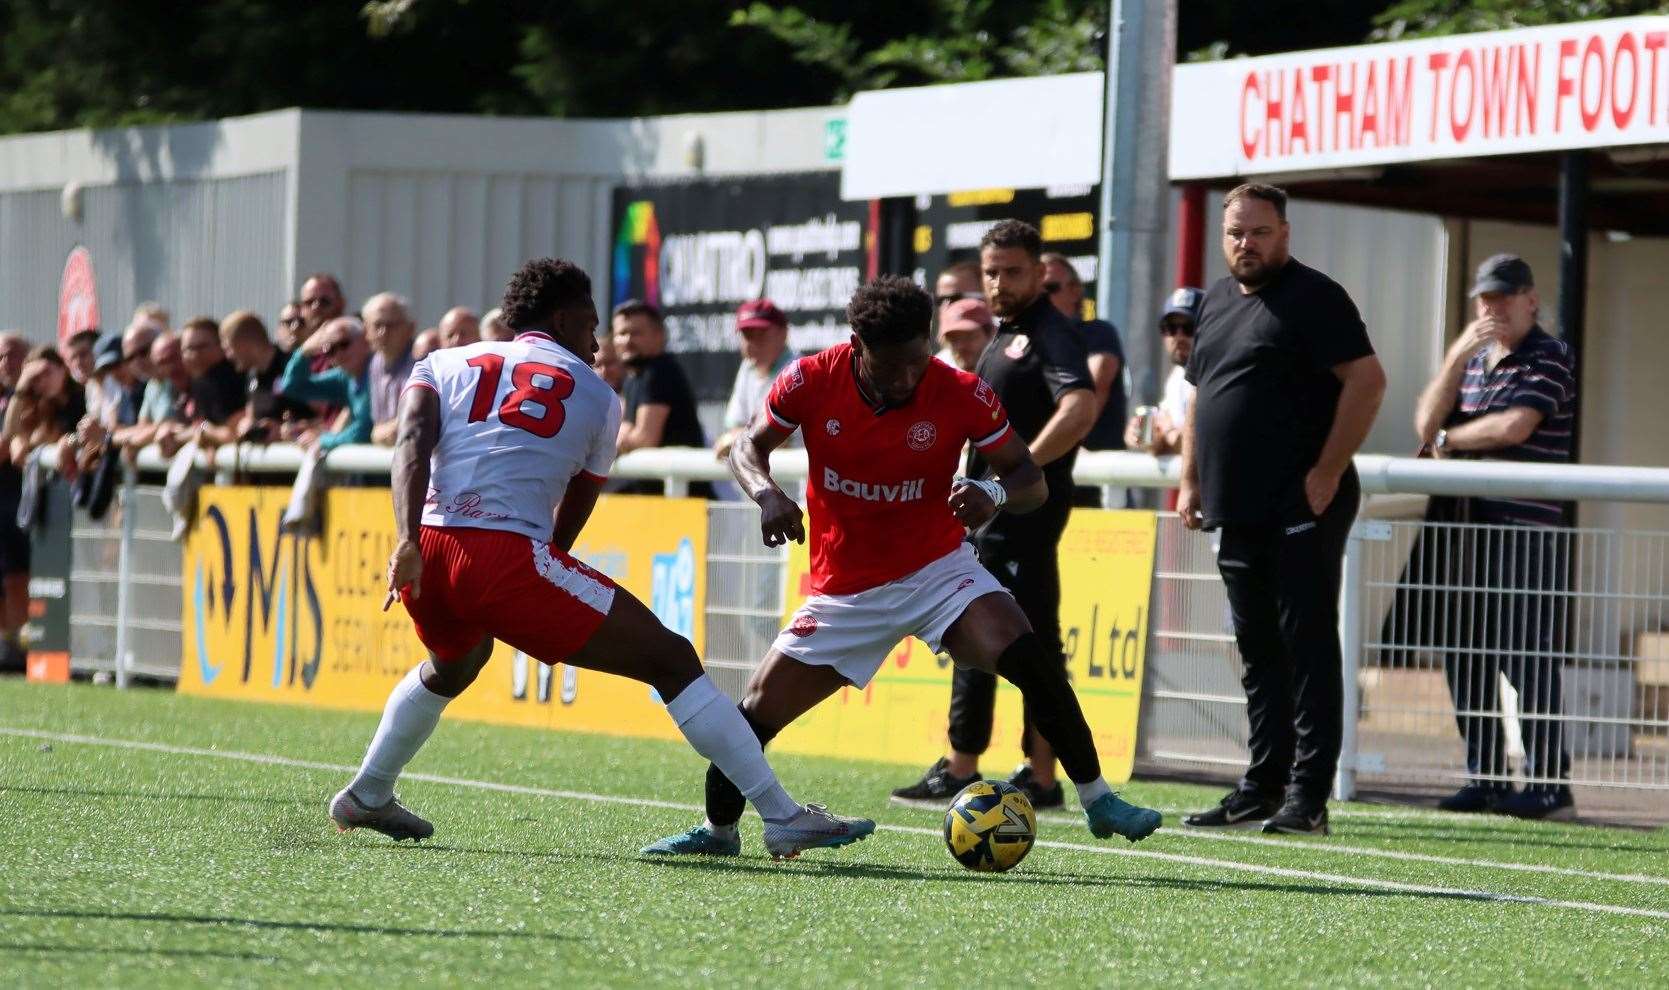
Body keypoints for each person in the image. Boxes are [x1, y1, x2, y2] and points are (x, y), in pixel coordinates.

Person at [332, 257, 873, 858]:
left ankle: (370, 790)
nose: (596, 343)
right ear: (562, 320)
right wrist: (533, 581)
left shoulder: (440, 363)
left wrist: (407, 539)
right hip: (502, 556)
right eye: (590, 325)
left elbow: (410, 444)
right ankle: (781, 815)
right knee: (671, 659)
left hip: (426, 549)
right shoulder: (597, 393)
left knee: (455, 663)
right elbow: (579, 501)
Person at [642, 275, 1160, 858]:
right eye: (892, 367)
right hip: (845, 592)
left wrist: (992, 491)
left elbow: (1029, 480)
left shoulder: (962, 391)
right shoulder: (811, 379)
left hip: (938, 572)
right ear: (857, 344)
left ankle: (1097, 798)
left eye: (918, 359)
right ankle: (719, 832)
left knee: (1030, 658)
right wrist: (766, 494)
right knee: (753, 719)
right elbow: (747, 447)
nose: (907, 377)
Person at [1179, 183, 1386, 836]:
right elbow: (1199, 397)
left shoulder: (1313, 297)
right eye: (1236, 232)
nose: (1246, 243)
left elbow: (1367, 380)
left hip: (1302, 501)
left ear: (1284, 233)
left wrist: (1325, 469)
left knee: (1305, 648)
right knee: (1257, 652)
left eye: (1259, 232)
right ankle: (1260, 787)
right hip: (1234, 506)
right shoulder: (1212, 301)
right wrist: (1188, 479)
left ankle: (1308, 798)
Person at [891, 220, 1099, 811]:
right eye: (992, 272)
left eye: (1013, 272)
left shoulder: (1050, 334)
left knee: (1023, 640)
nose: (1001, 283)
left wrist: (1017, 473)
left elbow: (1080, 407)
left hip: (1024, 514)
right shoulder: (1001, 335)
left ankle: (1036, 774)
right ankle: (983, 764)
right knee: (988, 636)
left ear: (1040, 272)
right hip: (993, 515)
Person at [1412, 253, 1577, 820]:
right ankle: (1484, 775)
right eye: (1485, 299)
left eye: (1504, 297)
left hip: (1522, 529)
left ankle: (1551, 783)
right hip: (1469, 528)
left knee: (1525, 655)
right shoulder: (1478, 359)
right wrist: (1458, 354)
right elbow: (1423, 424)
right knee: (1468, 653)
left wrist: (1450, 441)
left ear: (1531, 299)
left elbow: (1515, 427)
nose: (1493, 309)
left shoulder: (1550, 355)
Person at [612, 299, 709, 496]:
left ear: (659, 336)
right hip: (657, 499)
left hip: (683, 501)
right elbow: (626, 431)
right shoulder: (634, 378)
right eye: (621, 333)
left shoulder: (660, 372)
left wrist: (613, 444)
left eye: (636, 333)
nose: (627, 340)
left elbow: (645, 438)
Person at [1124, 287, 1203, 457]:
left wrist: (1169, 432)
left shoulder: (1219, 374)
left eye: (1189, 327)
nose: (1179, 336)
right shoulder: (1176, 377)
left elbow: (1205, 446)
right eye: (1171, 328)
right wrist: (1148, 437)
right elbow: (1170, 444)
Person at [714, 299, 795, 461]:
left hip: (797, 481)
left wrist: (736, 439)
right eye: (747, 335)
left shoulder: (796, 370)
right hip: (759, 477)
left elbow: (780, 439)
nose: (752, 343)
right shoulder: (747, 368)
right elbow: (734, 425)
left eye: (761, 334)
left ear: (783, 333)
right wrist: (739, 437)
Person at [280, 317, 375, 452]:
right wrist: (304, 352)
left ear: (365, 339)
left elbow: (364, 431)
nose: (339, 354)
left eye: (343, 344)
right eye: (330, 350)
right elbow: (293, 387)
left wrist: (322, 440)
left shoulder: (378, 371)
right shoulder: (345, 377)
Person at [220, 310, 313, 443]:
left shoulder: (292, 367)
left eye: (228, 348)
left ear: (245, 343)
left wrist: (283, 430)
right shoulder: (252, 376)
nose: (228, 356)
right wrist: (246, 425)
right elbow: (251, 415)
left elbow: (324, 415)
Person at [175, 316, 249, 449]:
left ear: (221, 345)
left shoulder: (228, 377)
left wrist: (205, 431)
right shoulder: (198, 381)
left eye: (201, 347)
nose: (194, 354)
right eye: (188, 349)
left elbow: (233, 433)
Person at [363, 292, 418, 446]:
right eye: (377, 325)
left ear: (410, 328)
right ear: (366, 331)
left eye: (391, 325)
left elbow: (419, 417)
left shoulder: (422, 362)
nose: (384, 332)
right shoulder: (375, 363)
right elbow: (377, 426)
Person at [934, 298, 994, 373]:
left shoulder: (1008, 374)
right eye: (953, 339)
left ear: (991, 335)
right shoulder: (937, 374)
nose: (960, 346)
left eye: (969, 337)